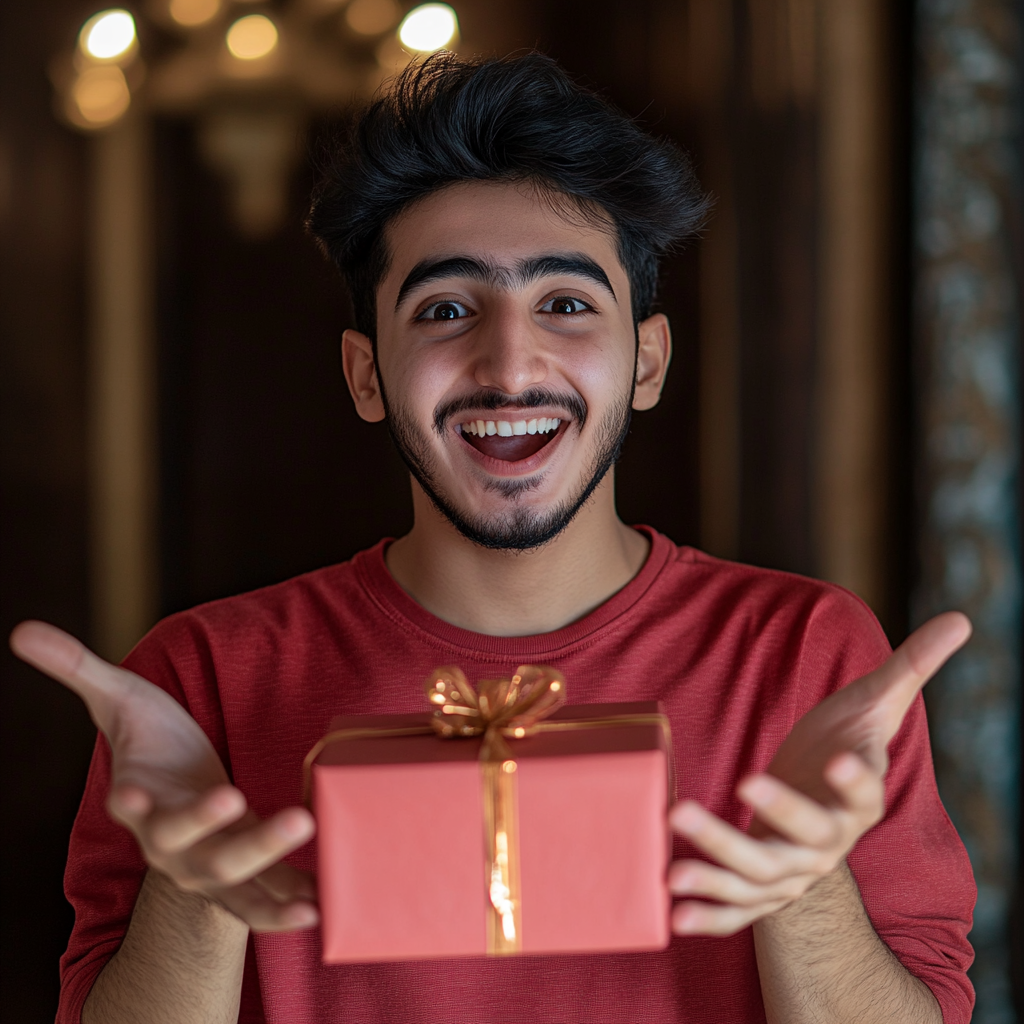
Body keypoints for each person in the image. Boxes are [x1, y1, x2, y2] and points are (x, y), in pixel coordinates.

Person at [11, 52, 975, 1024]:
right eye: (444, 309)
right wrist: (194, 892)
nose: (509, 364)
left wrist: (805, 888)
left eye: (564, 304)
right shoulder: (200, 684)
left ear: (646, 360)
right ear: (365, 375)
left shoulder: (807, 656)